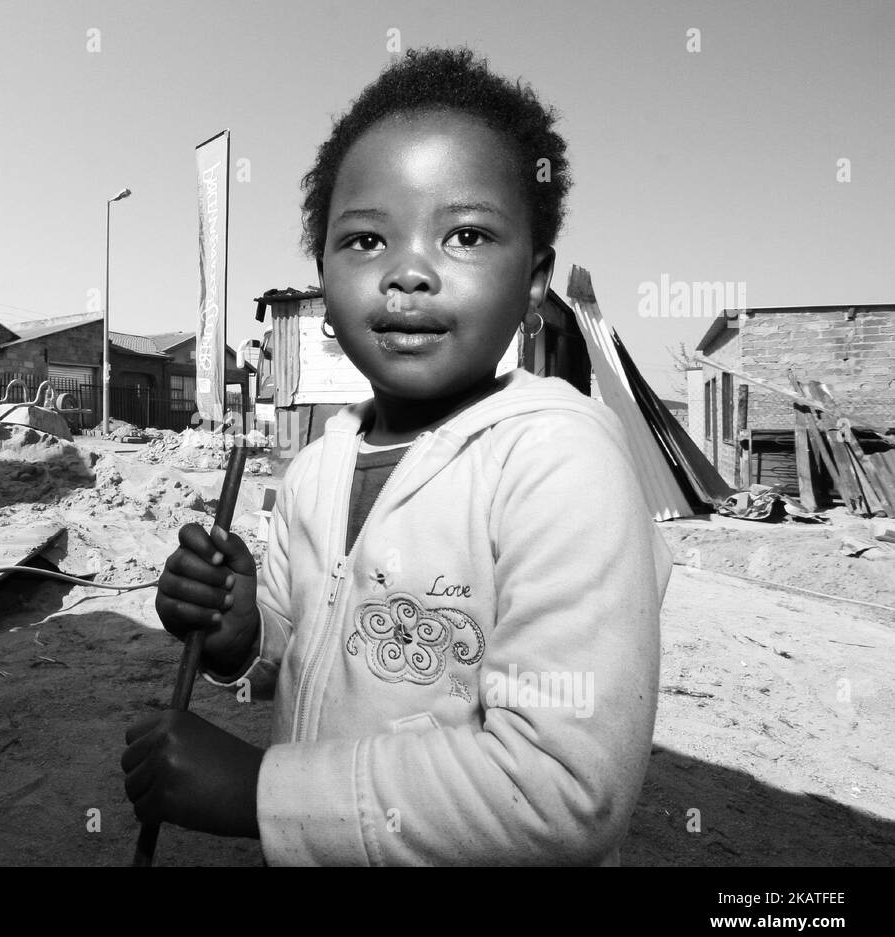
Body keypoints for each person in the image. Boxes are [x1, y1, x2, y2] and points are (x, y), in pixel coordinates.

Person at [122, 47, 671, 866]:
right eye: (367, 239)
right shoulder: (318, 466)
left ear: (534, 278)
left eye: (467, 234)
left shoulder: (559, 460)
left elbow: (560, 792)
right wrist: (238, 626)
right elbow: (293, 655)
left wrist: (258, 793)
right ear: (323, 273)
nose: (409, 272)